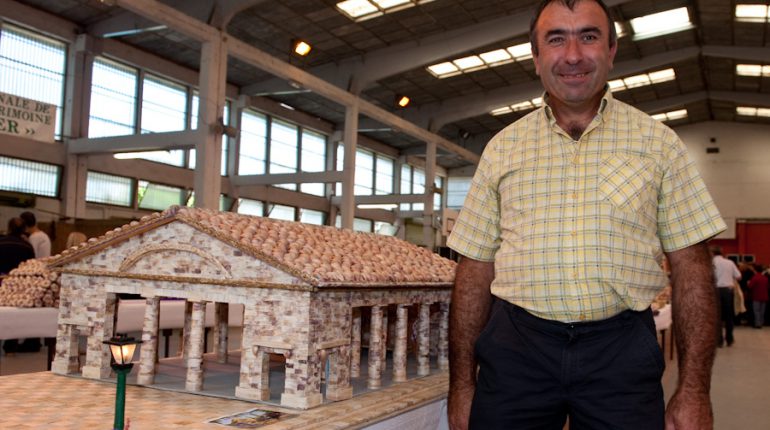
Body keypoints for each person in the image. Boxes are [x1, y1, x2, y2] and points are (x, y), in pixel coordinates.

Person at [446, 1, 725, 429]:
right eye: (556, 39)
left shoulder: (659, 145)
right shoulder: (503, 148)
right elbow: (474, 270)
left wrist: (693, 391)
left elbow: (692, 269)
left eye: (589, 36)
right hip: (518, 348)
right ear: (536, 57)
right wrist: (462, 386)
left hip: (621, 352)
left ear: (612, 50)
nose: (573, 54)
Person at [711, 247, 741, 346]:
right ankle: (729, 339)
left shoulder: (710, 263)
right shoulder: (730, 262)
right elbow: (738, 276)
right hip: (728, 291)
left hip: (715, 291)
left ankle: (719, 341)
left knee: (717, 317)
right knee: (729, 316)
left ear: (712, 253)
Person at [748, 264, 768, 328]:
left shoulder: (755, 278)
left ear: (755, 270)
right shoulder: (765, 278)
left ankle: (758, 323)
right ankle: (761, 322)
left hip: (756, 296)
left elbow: (750, 286)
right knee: (762, 311)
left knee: (756, 311)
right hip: (764, 296)